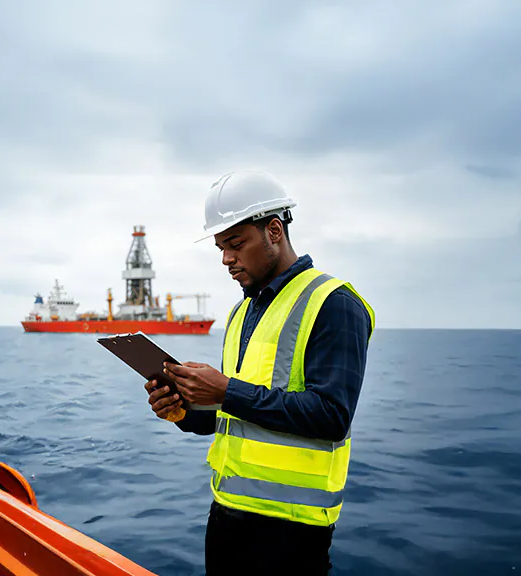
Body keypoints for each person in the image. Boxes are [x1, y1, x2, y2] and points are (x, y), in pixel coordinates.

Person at [143, 170, 375, 575]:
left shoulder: (333, 303)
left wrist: (226, 389)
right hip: (226, 519)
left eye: (235, 244)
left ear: (273, 231)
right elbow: (233, 416)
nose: (226, 259)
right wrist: (182, 411)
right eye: (220, 247)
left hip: (291, 534)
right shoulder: (240, 313)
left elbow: (331, 416)